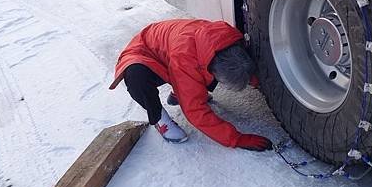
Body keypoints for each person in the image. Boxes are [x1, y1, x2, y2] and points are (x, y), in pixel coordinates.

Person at [109, 19, 272, 151]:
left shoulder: (228, 36)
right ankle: (159, 118)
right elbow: (195, 110)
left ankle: (179, 92)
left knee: (190, 78)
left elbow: (241, 66)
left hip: (174, 51)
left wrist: (256, 81)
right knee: (136, 78)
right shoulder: (185, 60)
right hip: (143, 55)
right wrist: (236, 139)